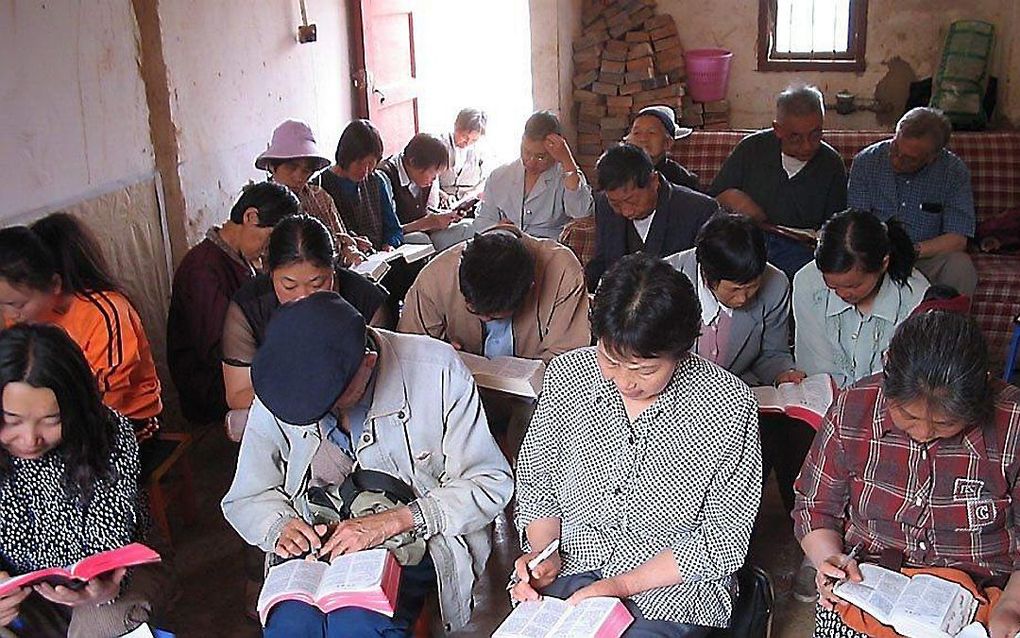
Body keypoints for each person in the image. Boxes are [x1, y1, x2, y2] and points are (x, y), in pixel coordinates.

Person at [221, 292, 513, 636]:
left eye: (333, 401)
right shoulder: (286, 383)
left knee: (358, 624)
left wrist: (395, 521)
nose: (325, 415)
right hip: (317, 539)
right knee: (290, 625)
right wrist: (280, 526)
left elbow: (490, 480)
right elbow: (248, 495)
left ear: (368, 362)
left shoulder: (437, 370)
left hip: (409, 536)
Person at [512, 253, 761, 637]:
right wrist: (544, 554)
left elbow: (724, 537)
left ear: (681, 351)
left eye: (645, 370)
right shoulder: (567, 378)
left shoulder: (728, 403)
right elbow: (538, 485)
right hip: (573, 565)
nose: (624, 381)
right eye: (611, 361)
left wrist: (621, 586)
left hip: (672, 591)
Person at [793, 311, 1020, 638]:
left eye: (945, 424)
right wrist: (829, 559)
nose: (924, 432)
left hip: (987, 594)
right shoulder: (853, 408)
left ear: (981, 391)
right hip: (872, 582)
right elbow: (815, 507)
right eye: (909, 417)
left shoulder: (1013, 423)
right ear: (887, 382)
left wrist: (1011, 603)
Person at [0, 324, 171, 637]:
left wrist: (101, 591)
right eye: (11, 421)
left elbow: (109, 543)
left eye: (52, 421)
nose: (29, 439)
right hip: (23, 588)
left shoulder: (108, 432)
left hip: (118, 575)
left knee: (103, 624)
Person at [0, 213, 163, 444]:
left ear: (54, 284)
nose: (9, 316)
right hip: (53, 418)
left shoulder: (105, 312)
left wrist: (56, 425)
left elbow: (110, 393)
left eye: (17, 305)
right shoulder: (19, 319)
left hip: (123, 418)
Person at [221, 214, 389, 411]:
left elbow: (381, 381)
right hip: (281, 410)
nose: (304, 297)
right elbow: (238, 395)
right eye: (289, 285)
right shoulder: (249, 307)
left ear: (334, 271)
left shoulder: (366, 301)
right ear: (270, 273)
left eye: (317, 284)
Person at [166, 182, 299, 425]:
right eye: (270, 241)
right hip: (212, 387)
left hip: (246, 369)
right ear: (250, 217)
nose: (268, 252)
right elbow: (219, 347)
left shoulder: (242, 260)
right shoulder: (203, 268)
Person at [710, 85, 847, 280]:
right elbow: (715, 198)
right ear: (778, 129)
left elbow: (836, 226)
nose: (807, 146)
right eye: (796, 138)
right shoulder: (752, 148)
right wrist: (736, 201)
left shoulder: (831, 163)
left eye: (815, 135)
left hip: (802, 251)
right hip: (749, 242)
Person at [398, 226, 590, 364]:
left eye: (492, 316)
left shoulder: (564, 272)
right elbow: (409, 351)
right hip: (455, 392)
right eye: (473, 310)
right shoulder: (436, 276)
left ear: (530, 288)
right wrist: (439, 355)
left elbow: (567, 360)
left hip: (535, 400)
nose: (484, 318)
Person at [847, 107, 978, 295]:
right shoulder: (866, 162)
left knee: (961, 266)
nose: (896, 161)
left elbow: (957, 239)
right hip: (876, 259)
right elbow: (856, 226)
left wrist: (913, 251)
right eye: (895, 148)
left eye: (909, 159)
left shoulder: (954, 172)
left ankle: (949, 323)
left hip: (926, 257)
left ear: (933, 157)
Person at [793, 209, 929, 389]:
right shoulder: (808, 283)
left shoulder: (916, 295)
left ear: (883, 264)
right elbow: (816, 367)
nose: (841, 294)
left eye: (853, 286)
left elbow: (906, 378)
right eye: (832, 286)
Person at [665, 213, 800, 385]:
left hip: (739, 392)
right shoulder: (665, 282)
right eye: (735, 289)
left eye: (752, 287)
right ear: (707, 276)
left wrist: (782, 375)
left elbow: (772, 353)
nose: (743, 298)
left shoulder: (776, 285)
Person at [585, 143, 717, 292]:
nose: (626, 211)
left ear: (654, 181)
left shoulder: (699, 211)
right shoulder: (604, 204)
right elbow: (601, 262)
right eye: (616, 204)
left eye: (631, 201)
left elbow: (710, 279)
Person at [256, 119, 369, 265]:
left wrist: (350, 251)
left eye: (306, 170)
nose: (299, 177)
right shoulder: (261, 207)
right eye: (291, 167)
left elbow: (341, 238)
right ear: (272, 166)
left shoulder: (320, 198)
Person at [474, 110, 594, 240]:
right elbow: (482, 221)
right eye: (526, 152)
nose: (531, 162)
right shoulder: (499, 176)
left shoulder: (565, 176)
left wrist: (567, 161)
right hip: (505, 249)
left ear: (554, 151)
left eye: (540, 157)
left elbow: (582, 215)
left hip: (548, 251)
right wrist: (497, 228)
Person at [377, 133, 474, 251]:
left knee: (468, 227)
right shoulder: (385, 176)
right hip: (397, 241)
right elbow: (389, 232)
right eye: (433, 174)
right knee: (420, 240)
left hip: (423, 231)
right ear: (413, 162)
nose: (434, 180)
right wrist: (426, 223)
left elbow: (427, 212)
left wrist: (443, 217)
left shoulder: (419, 176)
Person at [316, 119, 403, 252]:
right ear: (345, 157)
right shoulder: (320, 186)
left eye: (370, 164)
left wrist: (390, 244)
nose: (365, 171)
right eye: (360, 163)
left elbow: (394, 229)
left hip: (379, 257)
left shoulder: (376, 181)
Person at [624, 105, 700, 191]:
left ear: (668, 143)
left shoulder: (682, 179)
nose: (643, 138)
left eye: (651, 132)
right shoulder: (618, 172)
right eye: (636, 133)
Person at [438, 108, 489, 202]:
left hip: (470, 201)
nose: (468, 142)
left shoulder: (481, 150)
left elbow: (485, 180)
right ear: (456, 127)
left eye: (474, 140)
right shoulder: (440, 145)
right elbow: (429, 181)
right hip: (443, 200)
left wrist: (474, 194)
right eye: (465, 136)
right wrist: (443, 195)